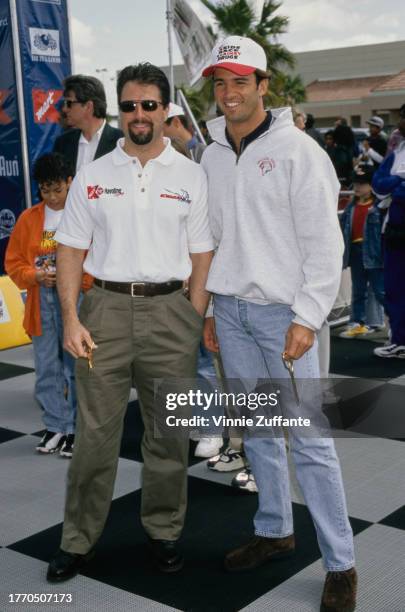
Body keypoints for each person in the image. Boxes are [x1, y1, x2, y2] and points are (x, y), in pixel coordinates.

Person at [201, 35, 357, 611]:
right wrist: (216, 308)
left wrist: (307, 317)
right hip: (233, 313)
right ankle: (274, 531)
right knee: (260, 434)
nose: (229, 92)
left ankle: (341, 562)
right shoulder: (212, 152)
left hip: (285, 318)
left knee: (311, 441)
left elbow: (324, 243)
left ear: (264, 86)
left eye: (241, 81)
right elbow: (216, 239)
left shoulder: (299, 151)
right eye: (220, 82)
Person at [46, 62, 214, 582]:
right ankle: (78, 539)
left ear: (166, 110)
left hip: (172, 314)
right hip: (105, 313)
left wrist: (193, 315)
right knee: (95, 436)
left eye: (148, 105)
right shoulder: (94, 175)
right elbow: (70, 251)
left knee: (168, 436)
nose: (138, 115)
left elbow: (202, 252)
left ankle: (163, 532)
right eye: (129, 105)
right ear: (117, 110)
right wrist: (72, 319)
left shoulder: (191, 173)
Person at [5, 153, 91, 456]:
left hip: (77, 300)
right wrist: (35, 275)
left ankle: (76, 429)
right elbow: (13, 262)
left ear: (71, 182)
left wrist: (76, 278)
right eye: (45, 190)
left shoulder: (84, 215)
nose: (52, 197)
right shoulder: (29, 218)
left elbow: (97, 259)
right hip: (40, 301)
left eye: (58, 189)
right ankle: (56, 426)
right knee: (45, 368)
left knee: (75, 368)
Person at [372, 106, 405, 359]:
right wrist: (399, 181)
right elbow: (378, 187)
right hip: (395, 231)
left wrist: (397, 186)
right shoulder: (398, 152)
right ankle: (399, 340)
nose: (399, 122)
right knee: (394, 287)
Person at [339, 166, 385, 339]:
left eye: (362, 184)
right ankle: (357, 322)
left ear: (372, 185)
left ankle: (395, 323)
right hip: (356, 252)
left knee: (380, 291)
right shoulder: (351, 207)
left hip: (374, 253)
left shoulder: (379, 207)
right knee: (358, 290)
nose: (357, 187)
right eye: (356, 183)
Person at [53, 75, 122, 173]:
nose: (64, 109)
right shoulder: (62, 143)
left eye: (69, 103)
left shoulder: (122, 142)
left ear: (88, 106)